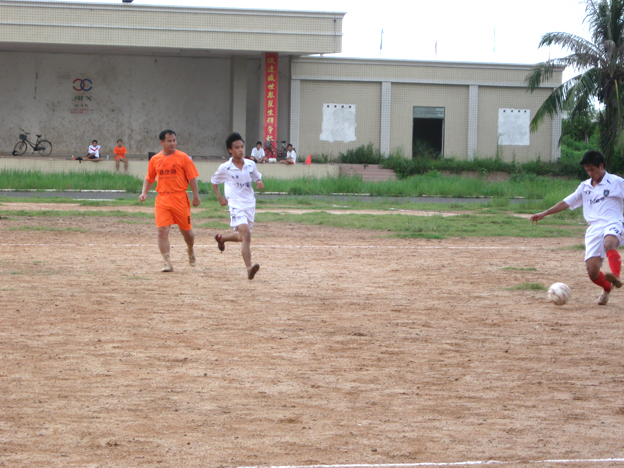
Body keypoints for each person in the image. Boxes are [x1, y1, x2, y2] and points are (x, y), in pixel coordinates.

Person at [530, 150, 624, 305]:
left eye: (592, 169)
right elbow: (566, 202)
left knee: (609, 243)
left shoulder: (616, 182)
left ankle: (616, 277)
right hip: (594, 228)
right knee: (592, 272)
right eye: (587, 170)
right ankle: (607, 288)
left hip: (613, 222)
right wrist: (545, 213)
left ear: (601, 166)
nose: (590, 173)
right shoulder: (585, 186)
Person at [138, 130, 201, 272]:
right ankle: (167, 262)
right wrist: (144, 193)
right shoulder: (155, 159)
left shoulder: (183, 157)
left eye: (174, 140)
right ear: (162, 142)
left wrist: (196, 196)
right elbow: (149, 178)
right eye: (169, 141)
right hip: (162, 199)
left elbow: (192, 178)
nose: (173, 143)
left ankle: (190, 249)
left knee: (187, 232)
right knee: (162, 231)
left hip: (180, 198)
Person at [211, 132, 265, 280]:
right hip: (235, 205)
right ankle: (249, 268)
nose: (240, 150)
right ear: (230, 150)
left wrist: (259, 182)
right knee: (246, 235)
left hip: (250, 204)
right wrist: (219, 197)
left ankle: (222, 239)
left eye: (242, 147)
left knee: (243, 237)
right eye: (237, 147)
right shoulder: (225, 168)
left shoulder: (250, 164)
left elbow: (256, 177)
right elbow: (214, 181)